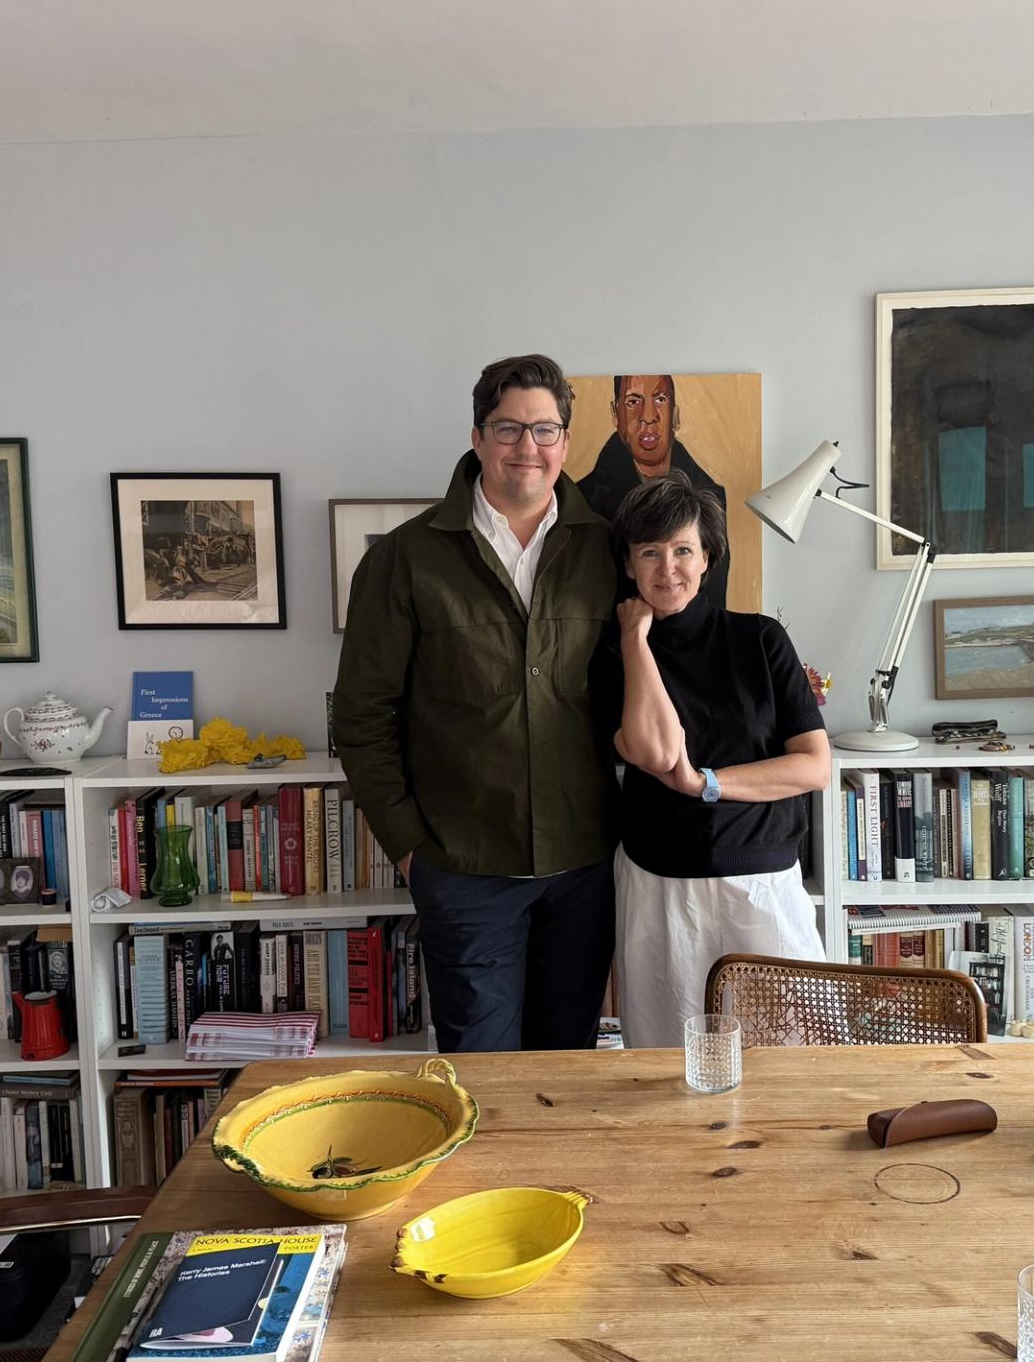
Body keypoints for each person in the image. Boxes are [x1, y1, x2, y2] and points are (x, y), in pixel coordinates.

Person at [334, 354, 620, 1052]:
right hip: (463, 872)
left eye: (545, 430)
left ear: (567, 442)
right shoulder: (404, 560)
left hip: (583, 868)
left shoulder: (610, 550)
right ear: (477, 437)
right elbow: (361, 717)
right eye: (509, 428)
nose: (528, 447)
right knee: (481, 1073)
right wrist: (408, 848)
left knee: (567, 1066)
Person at [591, 471, 831, 1048]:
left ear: (707, 559)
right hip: (660, 889)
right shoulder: (610, 655)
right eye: (649, 551)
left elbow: (813, 766)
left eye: (682, 550)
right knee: (668, 1066)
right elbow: (654, 751)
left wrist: (707, 783)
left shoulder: (760, 640)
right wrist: (634, 641)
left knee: (794, 1057)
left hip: (764, 885)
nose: (666, 567)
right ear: (628, 564)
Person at [576, 375, 730, 607]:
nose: (648, 417)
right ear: (615, 414)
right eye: (633, 402)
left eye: (660, 399)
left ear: (675, 415)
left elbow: (715, 600)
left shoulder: (710, 498)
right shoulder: (583, 500)